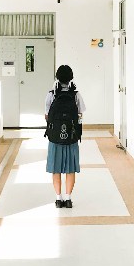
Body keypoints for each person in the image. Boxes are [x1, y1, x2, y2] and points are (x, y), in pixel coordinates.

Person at [45, 64, 85, 208]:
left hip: (55, 139)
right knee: (70, 169)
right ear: (71, 78)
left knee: (56, 169)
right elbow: (80, 115)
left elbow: (47, 116)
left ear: (57, 77)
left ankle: (58, 198)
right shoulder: (76, 95)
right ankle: (68, 199)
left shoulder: (51, 94)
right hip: (71, 139)